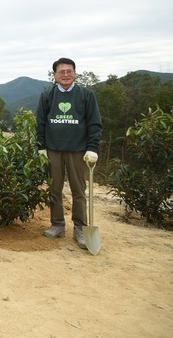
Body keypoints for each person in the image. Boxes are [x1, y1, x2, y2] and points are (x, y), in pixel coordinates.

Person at [36, 57, 103, 249]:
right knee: (54, 188)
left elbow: (94, 123)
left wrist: (92, 148)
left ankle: (80, 227)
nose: (65, 74)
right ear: (54, 75)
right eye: (61, 71)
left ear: (74, 73)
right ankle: (57, 224)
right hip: (53, 150)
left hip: (78, 150)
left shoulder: (86, 95)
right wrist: (41, 146)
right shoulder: (48, 95)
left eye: (69, 71)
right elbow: (40, 122)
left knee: (78, 190)